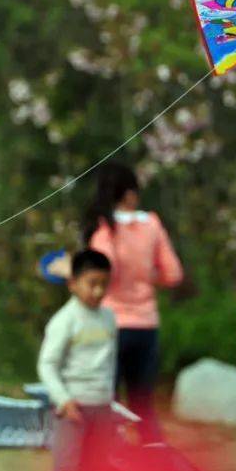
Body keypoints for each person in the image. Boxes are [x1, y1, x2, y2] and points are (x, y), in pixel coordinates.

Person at [84, 162, 184, 443]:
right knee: (144, 406)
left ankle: (107, 465)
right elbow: (174, 274)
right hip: (147, 326)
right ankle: (155, 464)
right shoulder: (152, 225)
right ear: (128, 194)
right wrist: (148, 275)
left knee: (108, 404)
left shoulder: (104, 230)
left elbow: (104, 271)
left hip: (111, 325)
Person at [38, 249, 118, 471]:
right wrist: (64, 400)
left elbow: (108, 365)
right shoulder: (65, 320)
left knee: (94, 469)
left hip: (102, 407)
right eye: (91, 283)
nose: (98, 291)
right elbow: (47, 365)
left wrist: (111, 401)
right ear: (72, 283)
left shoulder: (109, 318)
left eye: (104, 284)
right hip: (72, 410)